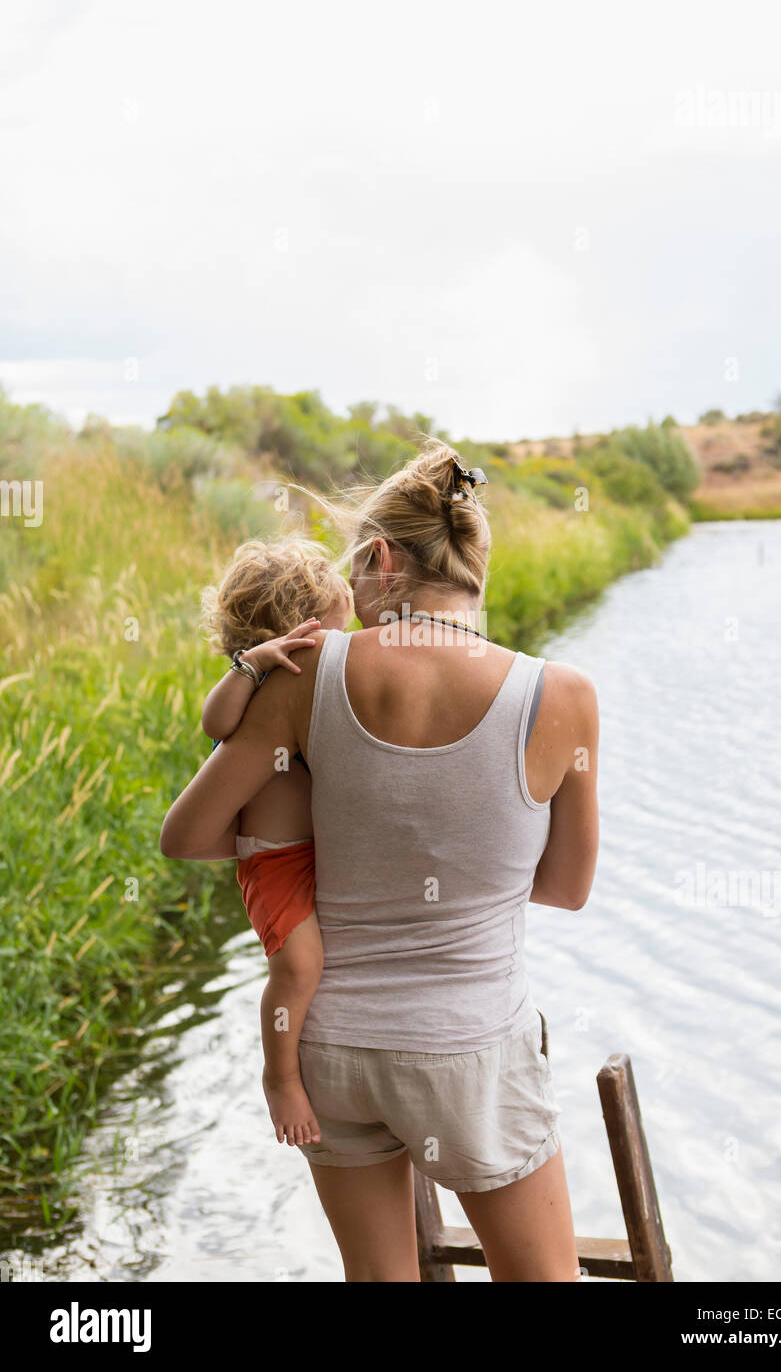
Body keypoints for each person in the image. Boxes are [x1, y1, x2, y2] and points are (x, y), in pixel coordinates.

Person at [161, 442, 599, 1282]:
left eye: (351, 574)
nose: (350, 604)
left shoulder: (305, 673)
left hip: (331, 1049)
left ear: (382, 558)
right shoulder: (564, 695)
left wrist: (317, 852)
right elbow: (566, 889)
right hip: (471, 1048)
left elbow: (190, 834)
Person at [197, 536, 353, 1146]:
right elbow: (213, 724)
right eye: (333, 637)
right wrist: (253, 664)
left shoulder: (318, 694)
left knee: (323, 959)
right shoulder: (254, 689)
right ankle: (280, 1077)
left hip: (313, 854)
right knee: (298, 966)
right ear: (293, 639)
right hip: (274, 861)